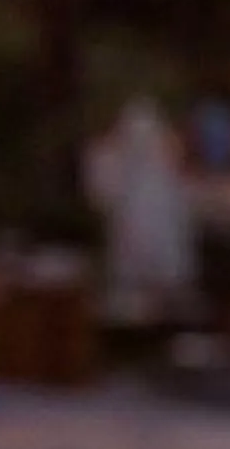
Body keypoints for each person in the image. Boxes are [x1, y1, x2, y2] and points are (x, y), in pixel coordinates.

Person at [84, 97, 198, 325]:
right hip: (138, 251)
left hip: (153, 252)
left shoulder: (159, 170)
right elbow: (102, 195)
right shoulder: (116, 161)